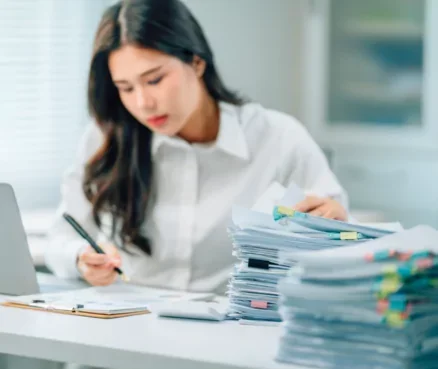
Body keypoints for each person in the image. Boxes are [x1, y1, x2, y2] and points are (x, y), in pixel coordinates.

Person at [45, 0, 348, 294]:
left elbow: (346, 245)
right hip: (129, 325)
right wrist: (80, 259)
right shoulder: (106, 139)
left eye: (154, 80)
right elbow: (59, 239)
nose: (143, 103)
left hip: (235, 330)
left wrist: (335, 225)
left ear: (197, 62)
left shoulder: (279, 138)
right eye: (125, 88)